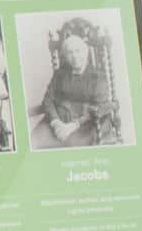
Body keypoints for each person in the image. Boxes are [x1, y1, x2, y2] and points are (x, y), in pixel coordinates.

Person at [31, 21, 117, 149]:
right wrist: (55, 123)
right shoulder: (60, 74)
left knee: (72, 147)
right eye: (70, 53)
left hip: (88, 124)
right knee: (34, 140)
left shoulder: (98, 77)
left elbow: (100, 107)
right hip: (58, 121)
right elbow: (47, 101)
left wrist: (74, 125)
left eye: (78, 51)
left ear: (85, 53)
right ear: (65, 56)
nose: (75, 56)